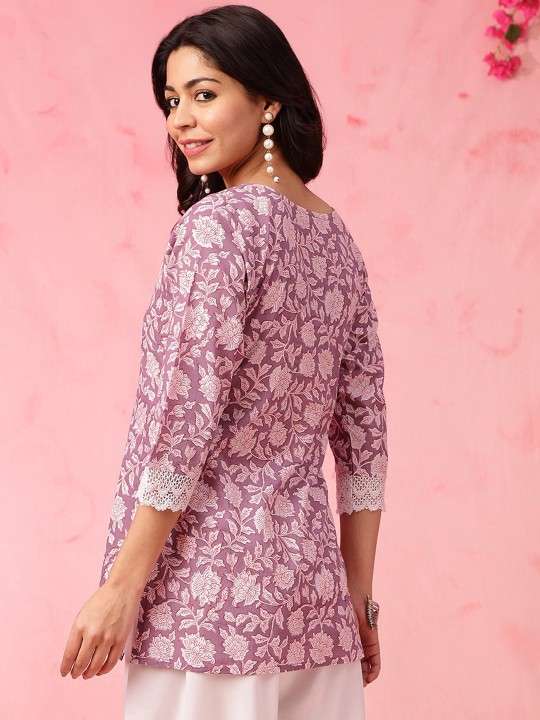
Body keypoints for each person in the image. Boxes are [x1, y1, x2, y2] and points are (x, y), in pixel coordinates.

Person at [59, 5, 388, 719]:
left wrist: (122, 585)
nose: (181, 120)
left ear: (268, 99)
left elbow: (183, 421)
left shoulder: (219, 227)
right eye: (171, 101)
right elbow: (364, 443)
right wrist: (358, 597)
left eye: (204, 94)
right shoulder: (335, 239)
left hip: (205, 604)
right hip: (312, 603)